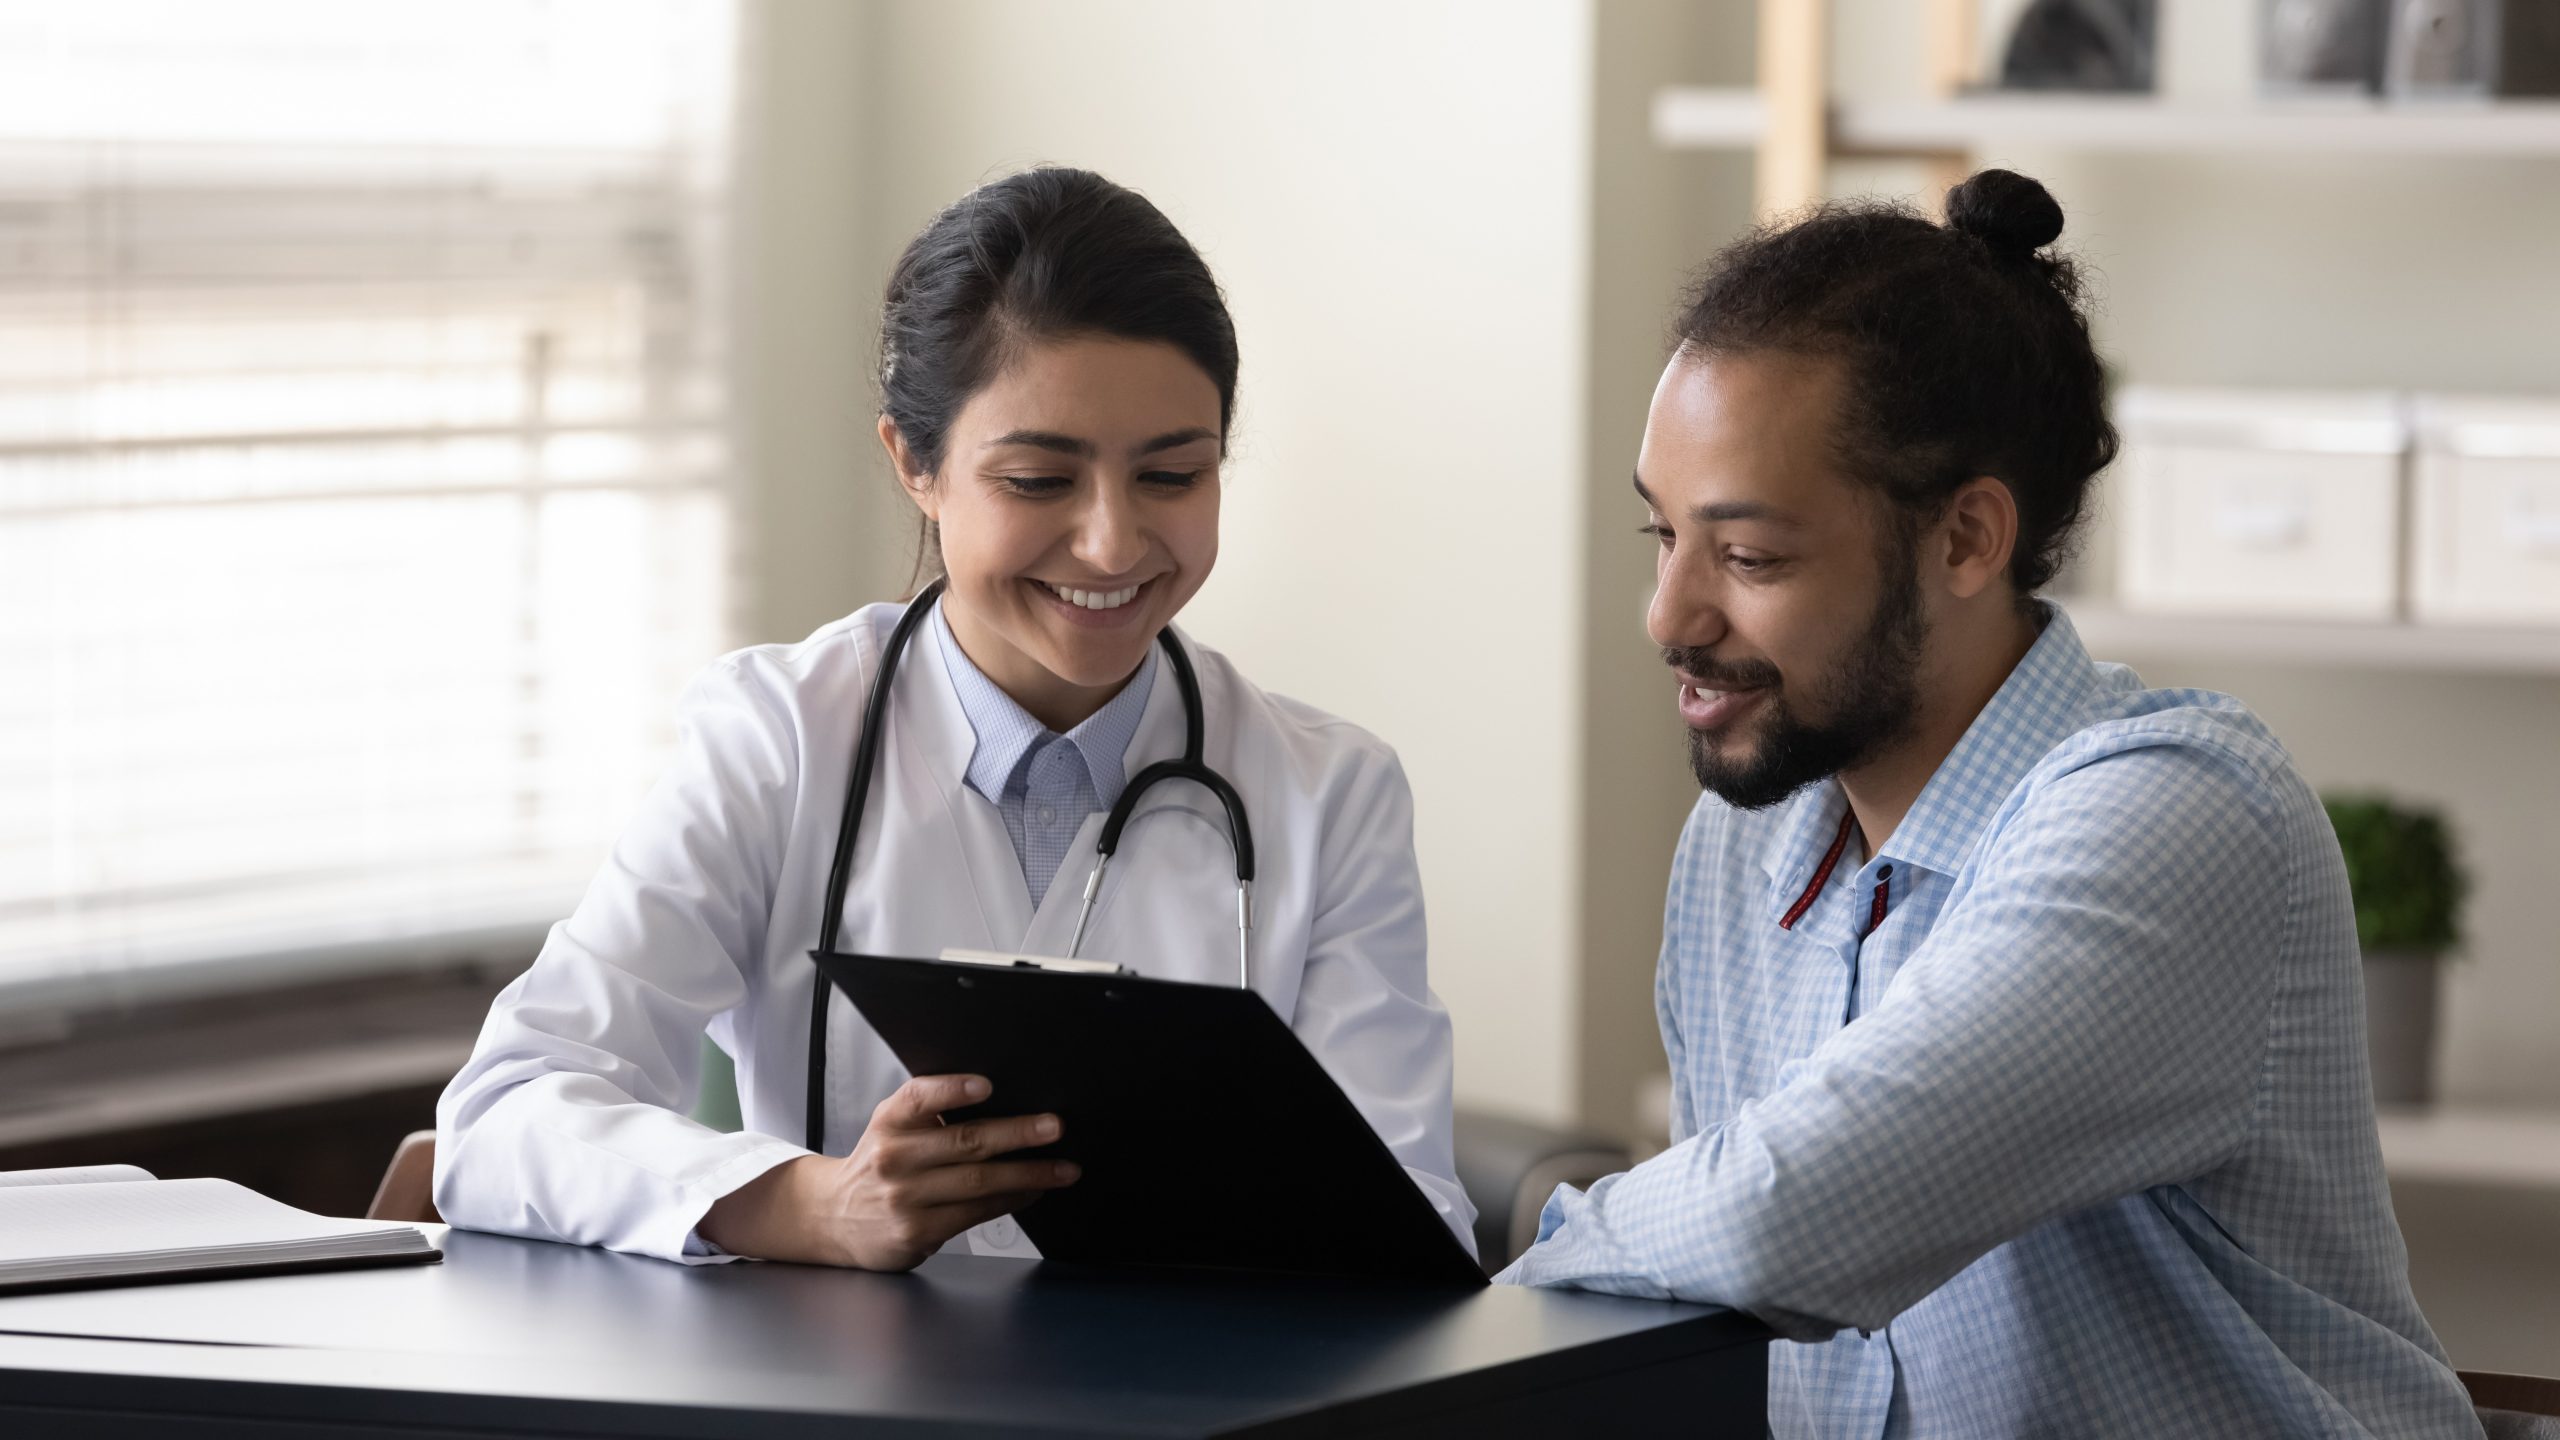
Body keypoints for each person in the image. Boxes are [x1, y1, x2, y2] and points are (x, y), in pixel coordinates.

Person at [1498, 171, 2479, 1437]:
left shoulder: (2173, 818)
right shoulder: (1742, 845)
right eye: (1663, 539)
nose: (1670, 618)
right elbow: (1717, 1302)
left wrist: (1532, 1261)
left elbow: (1781, 1220)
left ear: (1966, 540)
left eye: (1747, 557)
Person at [435, 167, 1474, 1272]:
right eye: (1037, 481)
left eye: (1173, 474)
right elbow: (503, 1112)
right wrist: (814, 1204)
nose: (1113, 544)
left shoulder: (1329, 795)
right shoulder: (777, 740)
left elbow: (1415, 1224)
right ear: (914, 465)